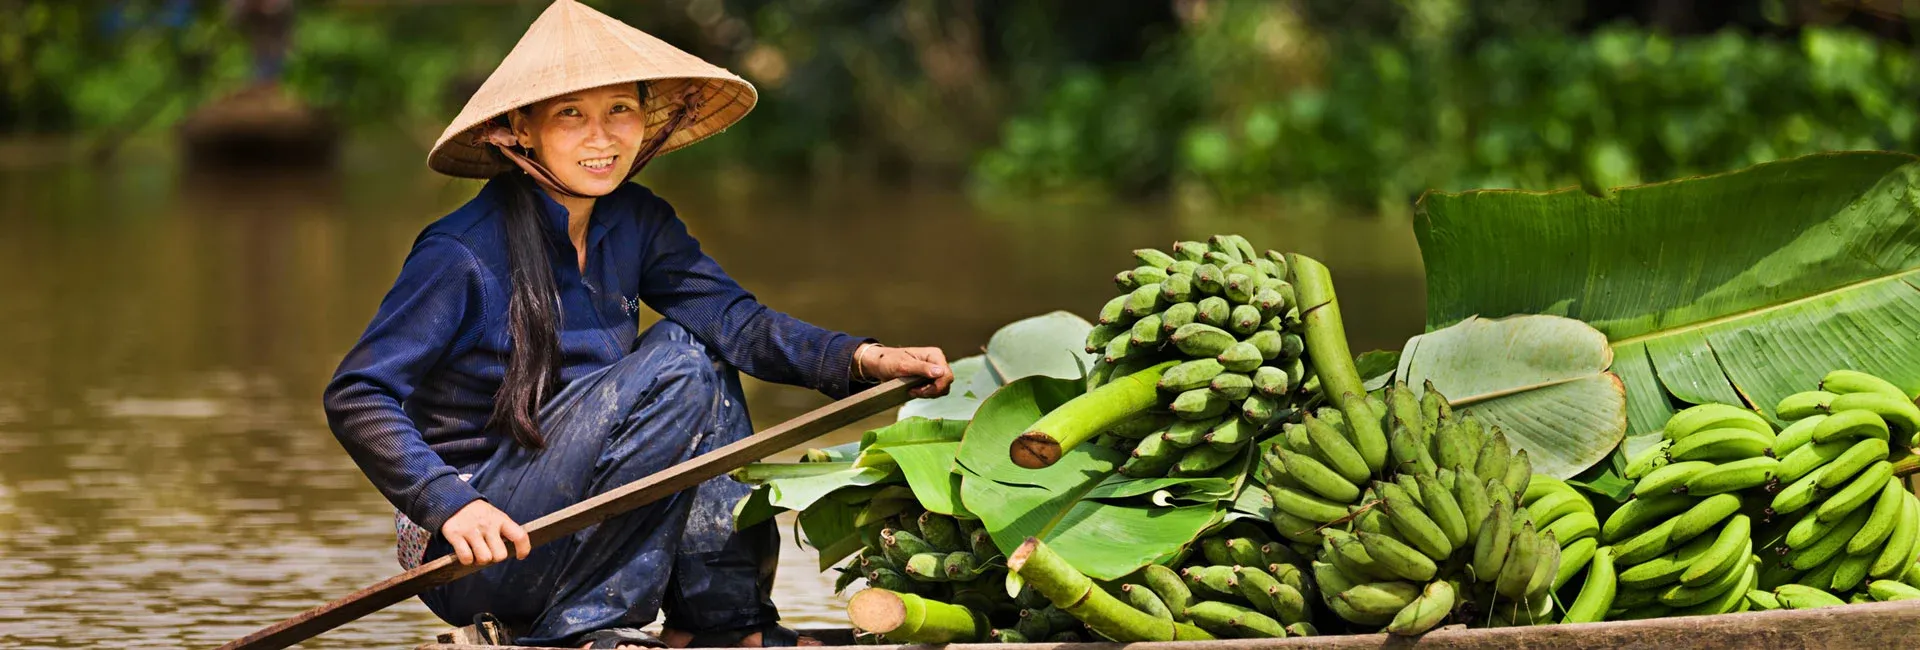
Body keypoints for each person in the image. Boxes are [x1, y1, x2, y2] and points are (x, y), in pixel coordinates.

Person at [321, 2, 953, 648]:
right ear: (520, 129)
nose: (603, 138)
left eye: (619, 110)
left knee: (703, 351)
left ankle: (725, 625)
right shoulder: (460, 253)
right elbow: (357, 394)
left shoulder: (637, 221)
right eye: (572, 115)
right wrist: (450, 504)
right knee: (682, 355)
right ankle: (584, 630)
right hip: (483, 550)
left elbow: (736, 322)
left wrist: (862, 360)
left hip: (578, 526)